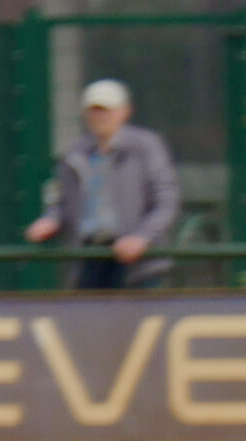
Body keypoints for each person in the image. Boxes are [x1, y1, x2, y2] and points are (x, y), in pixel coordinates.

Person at [24, 81, 179, 292]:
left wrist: (141, 238)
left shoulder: (146, 147)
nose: (100, 117)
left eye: (107, 110)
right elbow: (60, 201)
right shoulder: (75, 153)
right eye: (94, 111)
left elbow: (166, 202)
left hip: (138, 265)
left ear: (125, 112)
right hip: (88, 259)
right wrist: (50, 220)